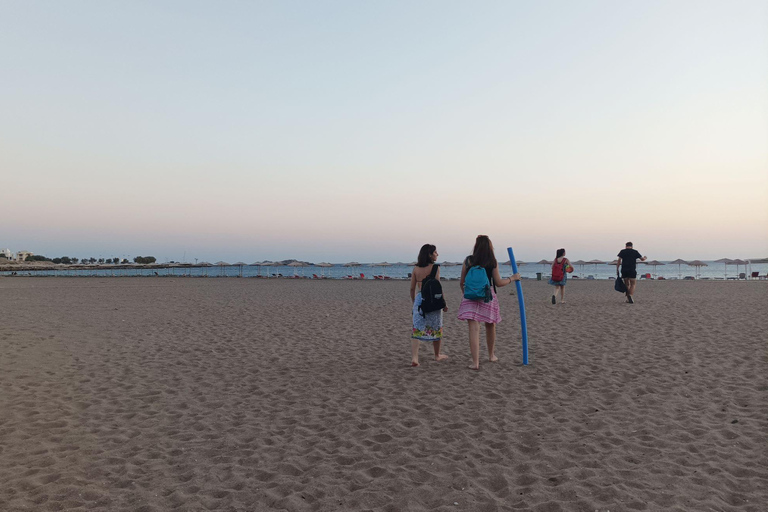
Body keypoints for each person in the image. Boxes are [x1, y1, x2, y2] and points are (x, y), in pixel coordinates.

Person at [457, 235, 521, 370]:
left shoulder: (468, 261)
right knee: (490, 325)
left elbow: (462, 282)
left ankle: (475, 363)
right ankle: (491, 355)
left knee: (474, 329)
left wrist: (467, 295)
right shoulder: (492, 261)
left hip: (470, 296)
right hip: (487, 295)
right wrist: (512, 278)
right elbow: (498, 282)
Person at [410, 244, 449, 367]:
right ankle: (437, 355)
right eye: (435, 252)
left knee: (417, 327)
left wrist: (414, 303)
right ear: (430, 254)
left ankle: (415, 358)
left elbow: (412, 289)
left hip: (420, 299)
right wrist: (444, 303)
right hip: (433, 300)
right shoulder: (435, 268)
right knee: (436, 326)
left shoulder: (416, 269)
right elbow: (438, 287)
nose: (437, 254)